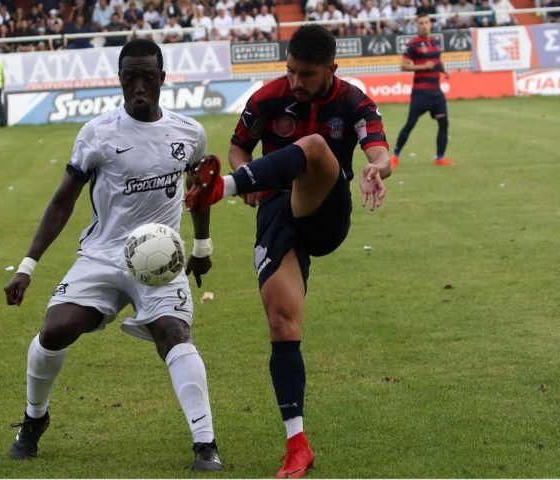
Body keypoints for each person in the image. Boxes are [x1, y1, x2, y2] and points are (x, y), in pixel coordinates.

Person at [3, 38, 223, 472]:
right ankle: (34, 419)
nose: (139, 87)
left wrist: (201, 247)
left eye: (147, 77)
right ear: (119, 80)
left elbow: (199, 192)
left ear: (162, 79)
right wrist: (28, 266)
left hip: (162, 262)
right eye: (130, 78)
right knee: (55, 330)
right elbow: (62, 201)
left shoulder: (189, 133)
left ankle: (205, 444)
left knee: (174, 334)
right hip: (102, 255)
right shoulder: (98, 133)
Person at [186, 24, 390, 479]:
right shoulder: (267, 98)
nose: (296, 81)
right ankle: (298, 445)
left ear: (331, 68)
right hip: (277, 210)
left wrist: (376, 170)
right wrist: (248, 176)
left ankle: (219, 190)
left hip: (325, 207)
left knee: (314, 147)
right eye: (291, 71)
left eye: (307, 74)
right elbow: (238, 147)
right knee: (281, 321)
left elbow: (380, 152)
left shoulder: (353, 101)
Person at [391, 13, 452, 168]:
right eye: (421, 23)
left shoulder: (436, 42)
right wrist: (423, 66)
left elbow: (437, 61)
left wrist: (444, 70)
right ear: (417, 25)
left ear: (430, 24)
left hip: (436, 93)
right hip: (421, 93)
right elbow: (403, 66)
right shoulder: (412, 44)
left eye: (426, 22)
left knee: (444, 124)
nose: (425, 25)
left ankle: (439, 158)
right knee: (410, 124)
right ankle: (395, 156)